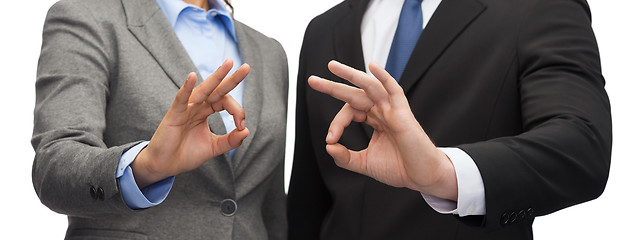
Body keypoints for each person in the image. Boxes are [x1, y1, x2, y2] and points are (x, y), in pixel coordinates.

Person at [288, 0, 611, 239]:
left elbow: (582, 146)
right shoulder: (324, 28)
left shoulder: (537, 7)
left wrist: (445, 173)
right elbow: (307, 200)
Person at [31, 0, 288, 239]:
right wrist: (144, 166)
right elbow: (53, 168)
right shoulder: (88, 17)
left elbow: (272, 208)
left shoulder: (269, 51)